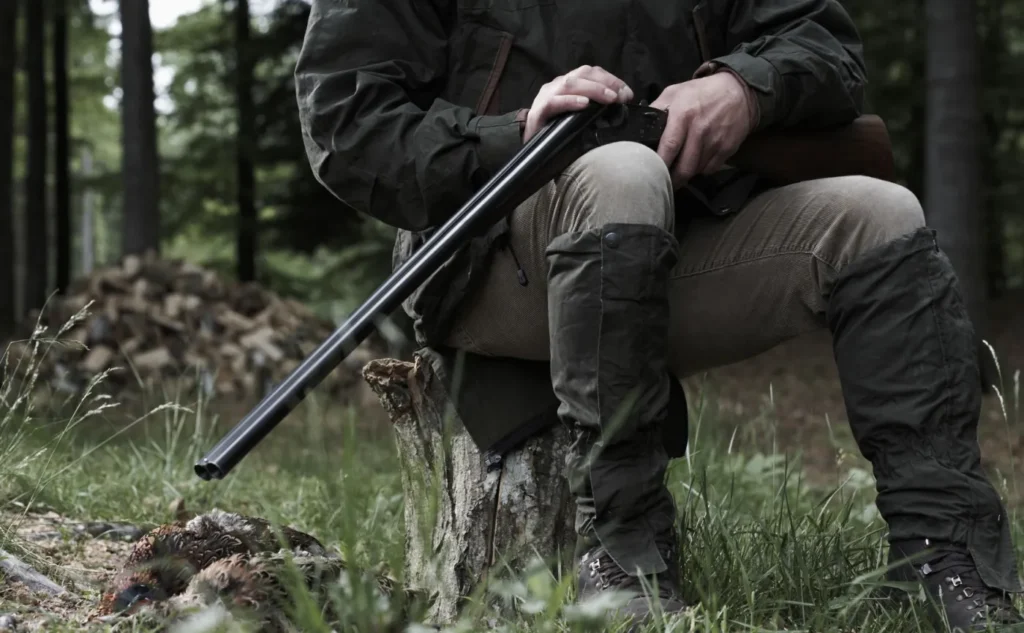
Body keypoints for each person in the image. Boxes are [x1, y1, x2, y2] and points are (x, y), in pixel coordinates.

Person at [293, 0, 1024, 630]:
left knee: (880, 215)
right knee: (622, 172)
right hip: (487, 250)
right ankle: (624, 555)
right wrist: (517, 131)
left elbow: (825, 43)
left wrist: (744, 89)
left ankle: (945, 557)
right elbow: (345, 124)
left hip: (678, 234)